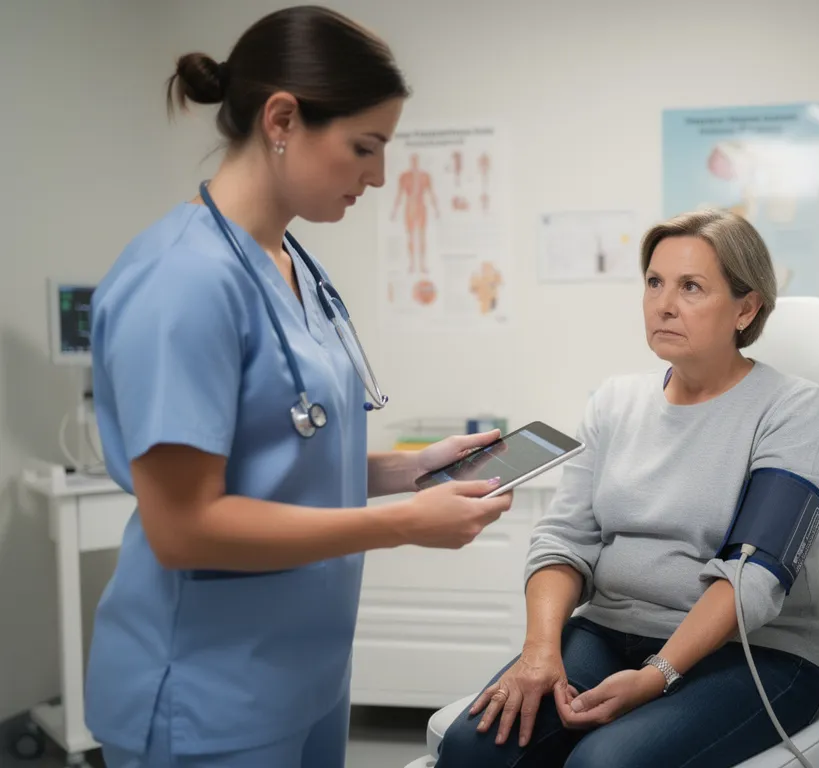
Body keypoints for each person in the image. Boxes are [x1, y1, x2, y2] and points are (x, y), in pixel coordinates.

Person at [85, 7, 513, 767]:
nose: (379, 176)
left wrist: (407, 471)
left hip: (304, 675)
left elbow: (289, 453)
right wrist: (403, 522)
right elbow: (184, 526)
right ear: (282, 117)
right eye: (364, 147)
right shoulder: (181, 280)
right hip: (207, 695)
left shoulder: (291, 262)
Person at [437, 209, 819, 767]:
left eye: (691, 287)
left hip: (754, 655)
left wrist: (657, 675)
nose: (664, 304)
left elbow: (753, 576)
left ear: (746, 308)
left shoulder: (792, 409)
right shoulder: (614, 402)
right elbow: (564, 540)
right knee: (473, 748)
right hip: (609, 631)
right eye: (655, 282)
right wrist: (539, 652)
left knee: (602, 763)